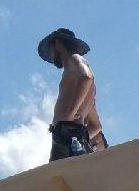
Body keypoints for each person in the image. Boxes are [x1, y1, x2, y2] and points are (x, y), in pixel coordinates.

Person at [37, 28, 107, 161]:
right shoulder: (78, 84)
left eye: (50, 50)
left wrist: (71, 112)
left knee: (58, 172)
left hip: (66, 134)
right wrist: (81, 138)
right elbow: (96, 126)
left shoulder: (74, 59)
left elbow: (87, 77)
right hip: (69, 137)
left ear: (57, 44)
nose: (51, 55)